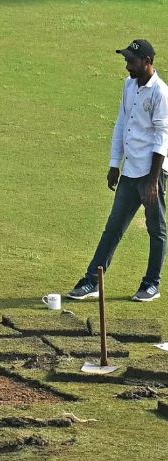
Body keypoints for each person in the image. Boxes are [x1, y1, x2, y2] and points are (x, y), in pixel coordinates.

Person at [69, 39, 168, 302]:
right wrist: (115, 164)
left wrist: (154, 181)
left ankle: (151, 285)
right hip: (130, 170)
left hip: (152, 173)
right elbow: (121, 124)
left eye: (131, 62)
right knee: (113, 227)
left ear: (147, 62)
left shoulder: (160, 93)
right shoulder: (129, 86)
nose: (127, 66)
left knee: (156, 229)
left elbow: (162, 137)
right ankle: (93, 281)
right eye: (126, 61)